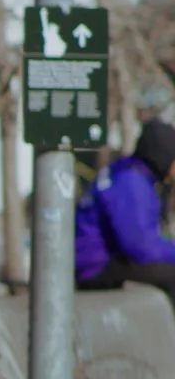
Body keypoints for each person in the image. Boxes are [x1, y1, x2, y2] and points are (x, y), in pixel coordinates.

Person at [75, 119, 175, 308]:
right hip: (96, 267)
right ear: (162, 155)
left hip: (92, 261)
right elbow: (140, 246)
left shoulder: (125, 171)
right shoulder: (131, 183)